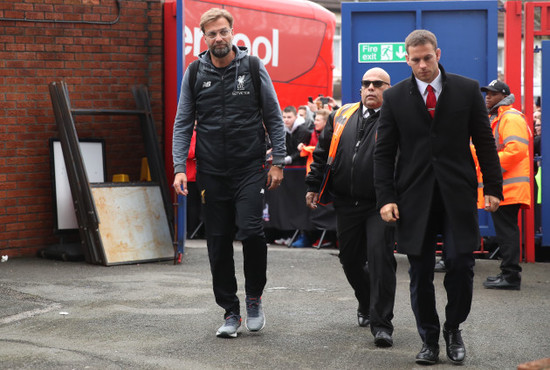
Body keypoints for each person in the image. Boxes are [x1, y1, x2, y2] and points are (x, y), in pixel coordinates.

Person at [374, 30, 503, 365]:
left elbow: (485, 142)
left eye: (427, 58)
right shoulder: (397, 97)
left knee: (461, 263)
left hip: (457, 195)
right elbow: (384, 153)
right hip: (413, 197)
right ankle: (429, 338)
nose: (422, 65)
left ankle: (453, 327)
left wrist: (492, 187)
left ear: (438, 54)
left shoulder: (466, 89)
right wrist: (385, 197)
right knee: (419, 271)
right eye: (415, 60)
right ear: (407, 59)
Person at [172, 7, 286, 339]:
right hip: (211, 172)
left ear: (232, 32)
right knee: (218, 242)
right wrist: (180, 168)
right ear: (203, 37)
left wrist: (278, 160)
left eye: (223, 32)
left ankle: (253, 297)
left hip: (250, 168)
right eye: (212, 33)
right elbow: (182, 125)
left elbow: (274, 117)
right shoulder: (194, 73)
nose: (218, 38)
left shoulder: (252, 67)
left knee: (251, 232)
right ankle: (230, 310)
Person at [305, 67, 397, 347]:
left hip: (379, 204)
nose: (371, 88)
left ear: (387, 89)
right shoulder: (341, 114)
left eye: (377, 84)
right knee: (350, 260)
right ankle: (366, 300)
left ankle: (382, 324)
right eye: (366, 83)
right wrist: (313, 185)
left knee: (381, 260)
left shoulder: (397, 118)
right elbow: (322, 154)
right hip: (347, 202)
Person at [479, 80, 530, 290]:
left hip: (509, 187)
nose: (487, 97)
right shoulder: (498, 118)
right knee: (505, 231)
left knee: (507, 232)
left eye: (492, 94)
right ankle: (507, 272)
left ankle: (511, 276)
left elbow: (516, 150)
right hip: (505, 188)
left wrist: (491, 168)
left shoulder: (510, 117)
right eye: (486, 94)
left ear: (503, 96)